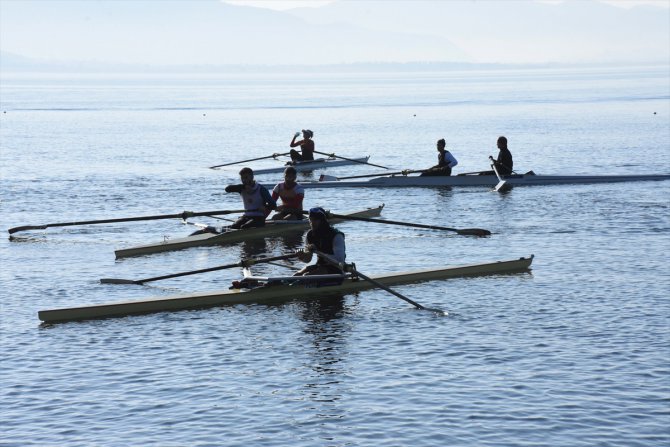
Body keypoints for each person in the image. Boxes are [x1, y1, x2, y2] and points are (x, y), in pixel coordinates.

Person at [294, 207, 346, 276]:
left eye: (315, 220)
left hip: (336, 268)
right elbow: (308, 260)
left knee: (306, 276)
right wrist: (302, 256)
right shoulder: (310, 235)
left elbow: (340, 260)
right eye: (310, 220)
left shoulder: (336, 236)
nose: (312, 223)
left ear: (322, 221)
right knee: (297, 275)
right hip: (320, 266)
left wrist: (318, 251)